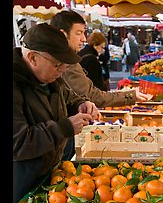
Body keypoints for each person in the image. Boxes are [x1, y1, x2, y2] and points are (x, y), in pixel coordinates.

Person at [13, 23, 100, 203]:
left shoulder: (51, 78)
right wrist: (64, 128)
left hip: (46, 177)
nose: (62, 70)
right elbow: (18, 143)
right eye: (57, 64)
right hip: (20, 185)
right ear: (33, 58)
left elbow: (68, 98)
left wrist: (81, 104)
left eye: (65, 65)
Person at [49, 11, 151, 159]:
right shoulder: (67, 63)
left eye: (84, 33)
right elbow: (92, 94)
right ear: (63, 34)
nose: (84, 39)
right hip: (60, 136)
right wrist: (130, 95)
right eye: (79, 33)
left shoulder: (70, 60)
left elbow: (68, 95)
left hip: (64, 132)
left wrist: (80, 103)